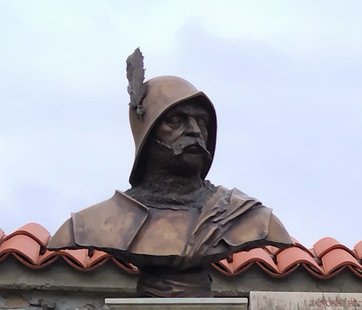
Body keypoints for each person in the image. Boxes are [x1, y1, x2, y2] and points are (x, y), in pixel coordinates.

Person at [48, 50, 291, 297]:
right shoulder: (93, 223)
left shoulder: (248, 218)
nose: (195, 131)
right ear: (147, 133)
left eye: (202, 122)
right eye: (176, 120)